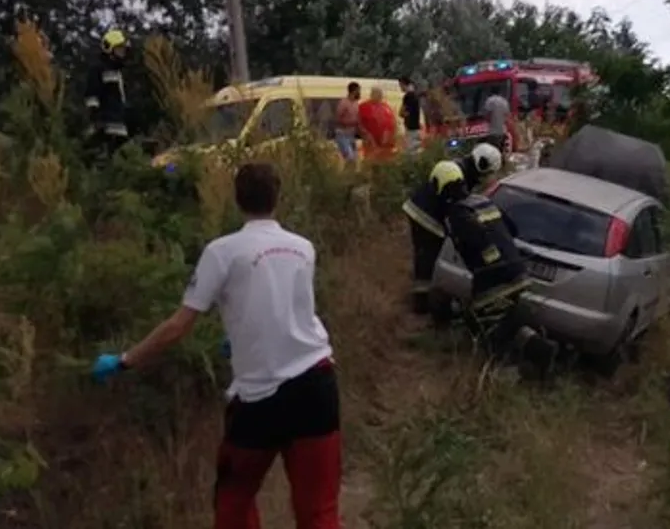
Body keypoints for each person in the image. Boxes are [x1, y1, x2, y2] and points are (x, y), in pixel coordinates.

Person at [91, 162, 341, 529]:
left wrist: (126, 360)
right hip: (317, 383)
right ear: (278, 198)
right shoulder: (303, 248)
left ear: (236, 199)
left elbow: (178, 326)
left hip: (260, 398)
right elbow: (290, 309)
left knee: (233, 503)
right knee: (319, 512)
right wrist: (240, 335)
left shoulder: (222, 252)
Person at [442, 188, 559, 378]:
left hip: (495, 276)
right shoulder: (482, 201)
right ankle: (541, 349)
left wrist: (490, 260)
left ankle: (506, 375)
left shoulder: (458, 213)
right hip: (516, 271)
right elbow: (512, 229)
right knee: (504, 319)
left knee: (487, 326)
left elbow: (478, 236)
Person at [401, 142, 503, 313]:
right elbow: (456, 209)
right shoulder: (455, 175)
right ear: (484, 167)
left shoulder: (461, 171)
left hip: (424, 213)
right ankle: (420, 305)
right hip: (425, 217)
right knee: (427, 257)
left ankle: (421, 298)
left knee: (425, 257)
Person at [84, 29, 131, 157]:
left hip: (119, 123)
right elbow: (92, 94)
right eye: (119, 48)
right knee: (106, 158)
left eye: (123, 49)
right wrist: (95, 119)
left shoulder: (118, 71)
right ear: (109, 48)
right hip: (106, 124)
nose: (122, 52)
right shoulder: (98, 68)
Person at [358, 86, 397, 161]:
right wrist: (366, 134)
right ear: (372, 94)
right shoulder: (363, 106)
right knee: (371, 162)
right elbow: (358, 123)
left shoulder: (386, 106)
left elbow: (392, 122)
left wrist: (390, 135)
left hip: (386, 145)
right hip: (371, 143)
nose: (381, 96)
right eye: (378, 94)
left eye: (381, 94)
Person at [334, 82, 360, 162]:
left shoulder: (356, 103)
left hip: (351, 134)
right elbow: (338, 118)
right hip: (343, 134)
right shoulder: (343, 103)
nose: (359, 93)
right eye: (358, 90)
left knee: (355, 158)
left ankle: (350, 174)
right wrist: (350, 122)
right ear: (354, 91)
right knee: (350, 157)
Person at [483, 85, 511, 153]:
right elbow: (507, 115)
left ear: (491, 92)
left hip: (493, 131)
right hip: (502, 130)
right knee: (502, 149)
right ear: (500, 92)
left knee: (493, 149)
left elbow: (487, 115)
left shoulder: (489, 100)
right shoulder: (504, 101)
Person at [398, 77, 422, 154]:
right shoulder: (415, 95)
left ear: (404, 84)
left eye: (400, 85)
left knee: (410, 151)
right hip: (416, 127)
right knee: (416, 149)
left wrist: (404, 114)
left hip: (410, 127)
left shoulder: (408, 96)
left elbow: (401, 112)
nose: (400, 88)